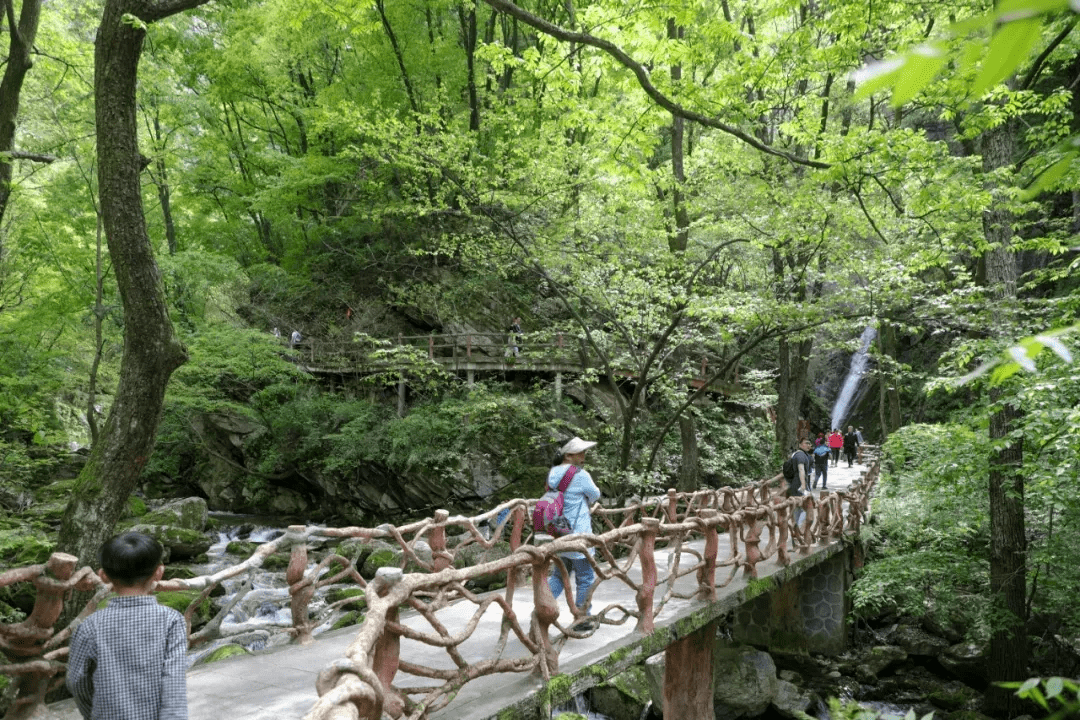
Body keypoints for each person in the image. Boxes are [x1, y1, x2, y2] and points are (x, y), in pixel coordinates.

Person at [67, 532, 188, 720]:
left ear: (103, 575)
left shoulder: (89, 626)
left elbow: (77, 681)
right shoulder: (172, 621)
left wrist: (94, 713)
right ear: (159, 572)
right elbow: (174, 684)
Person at [547, 436, 601, 633]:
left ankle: (542, 606)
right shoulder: (580, 474)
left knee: (559, 575)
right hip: (579, 535)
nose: (584, 455)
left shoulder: (553, 472)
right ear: (568, 455)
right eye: (580, 452)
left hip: (561, 533)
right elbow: (595, 494)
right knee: (585, 577)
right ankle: (583, 619)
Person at [787, 437, 812, 527]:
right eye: (806, 443)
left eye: (809, 443)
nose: (808, 445)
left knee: (798, 507)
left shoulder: (796, 454)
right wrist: (803, 486)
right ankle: (799, 527)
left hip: (795, 484)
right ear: (800, 445)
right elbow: (801, 470)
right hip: (799, 485)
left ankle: (796, 529)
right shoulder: (801, 455)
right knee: (807, 507)